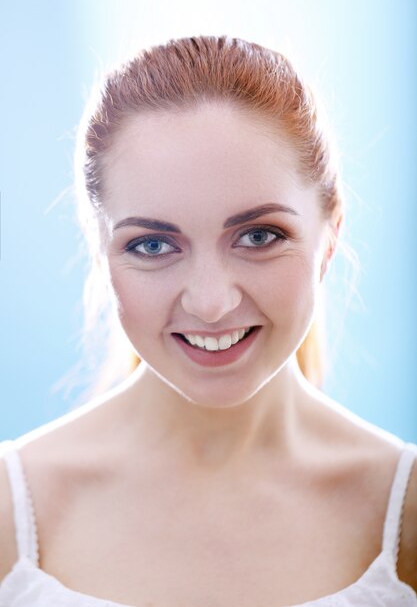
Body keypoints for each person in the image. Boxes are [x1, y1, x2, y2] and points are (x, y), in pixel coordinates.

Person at [0, 35, 416, 607]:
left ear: (330, 234)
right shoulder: (14, 512)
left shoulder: (404, 512)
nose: (211, 303)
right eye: (151, 245)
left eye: (259, 236)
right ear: (100, 250)